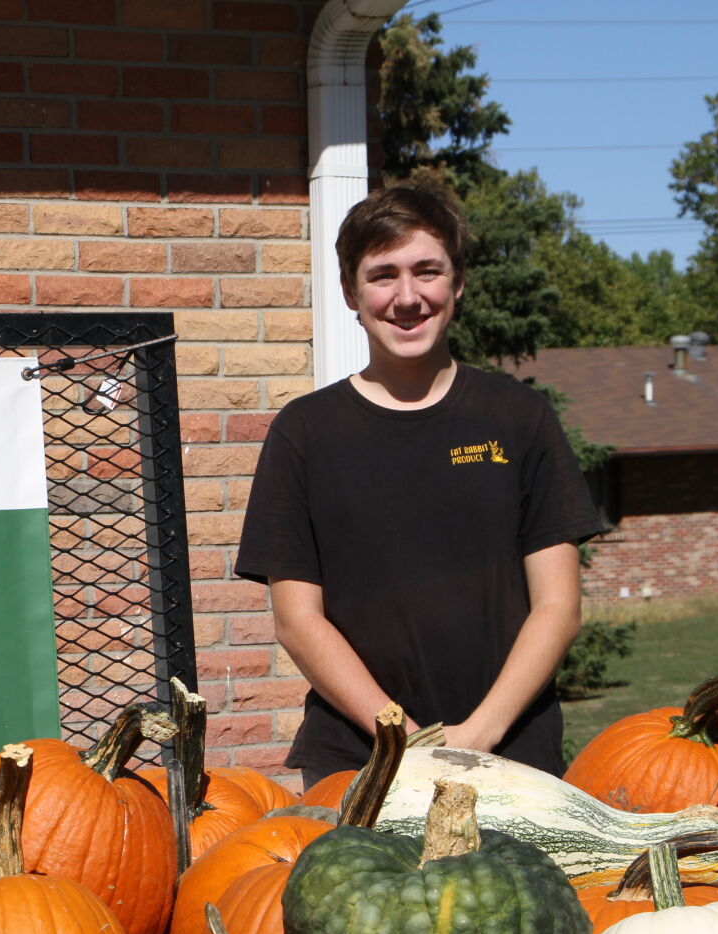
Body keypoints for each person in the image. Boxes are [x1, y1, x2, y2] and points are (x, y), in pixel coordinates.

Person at [234, 182, 602, 788]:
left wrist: (478, 733)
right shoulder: (305, 434)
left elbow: (559, 607)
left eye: (427, 271)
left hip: (513, 756)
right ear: (351, 293)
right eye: (383, 276)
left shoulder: (518, 418)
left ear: (456, 284)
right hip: (361, 762)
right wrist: (398, 735)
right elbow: (298, 621)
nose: (407, 297)